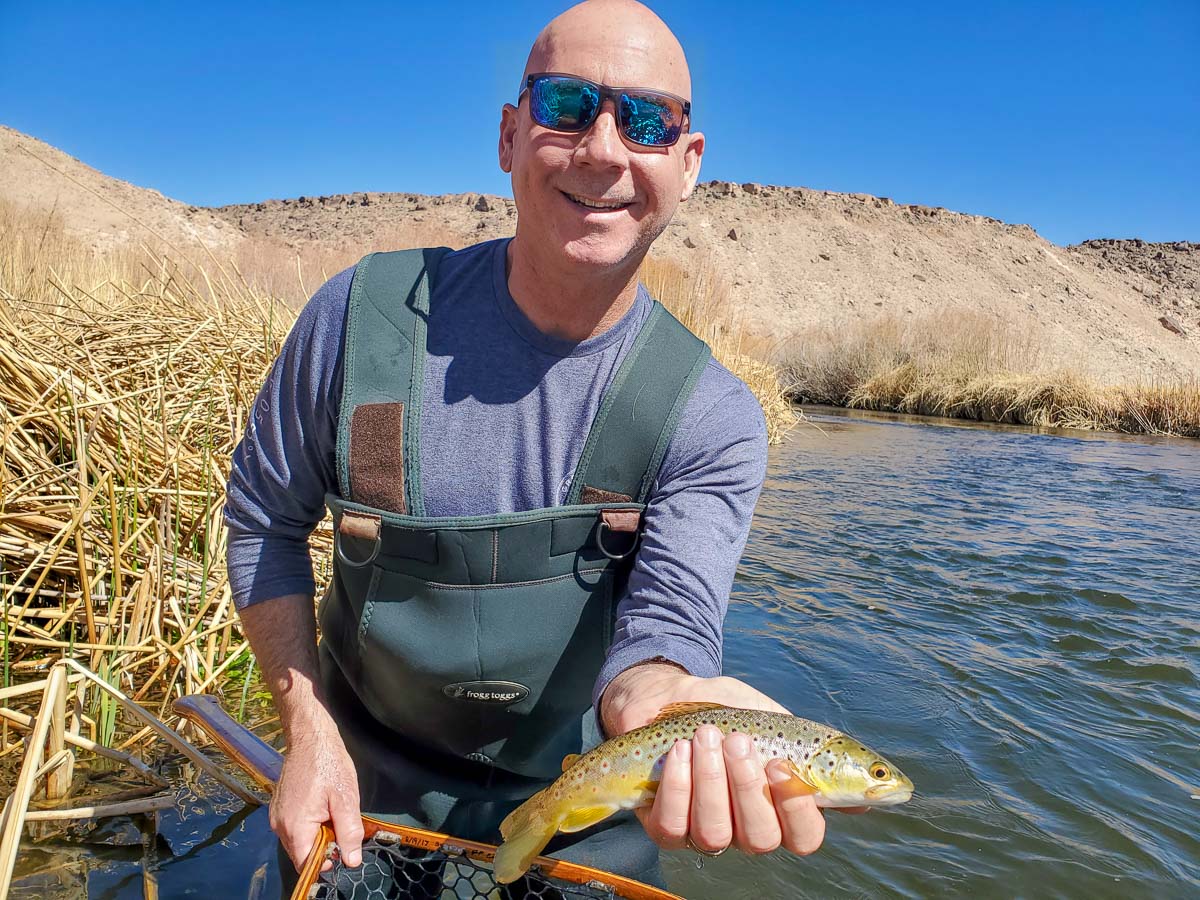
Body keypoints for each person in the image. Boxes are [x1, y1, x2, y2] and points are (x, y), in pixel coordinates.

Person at [226, 1, 851, 892]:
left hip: (584, 809)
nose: (603, 149)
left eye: (646, 120)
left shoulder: (711, 416)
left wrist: (677, 704)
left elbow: (660, 641)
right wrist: (307, 731)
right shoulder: (358, 318)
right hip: (354, 789)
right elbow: (262, 523)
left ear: (688, 162)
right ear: (511, 136)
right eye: (566, 105)